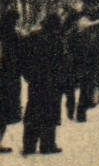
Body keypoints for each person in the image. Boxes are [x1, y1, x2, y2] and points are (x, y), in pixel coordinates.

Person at [19, 13, 68, 155]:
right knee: (50, 113)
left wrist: (28, 75)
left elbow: (23, 58)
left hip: (36, 81)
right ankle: (47, 145)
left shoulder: (33, 37)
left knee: (33, 111)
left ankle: (29, 145)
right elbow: (62, 62)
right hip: (52, 82)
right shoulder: (57, 39)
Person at [0, 9, 22, 152]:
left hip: (8, 76)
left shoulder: (11, 34)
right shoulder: (11, 35)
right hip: (7, 77)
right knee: (4, 111)